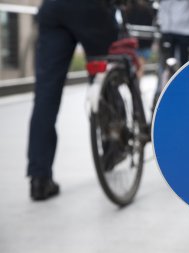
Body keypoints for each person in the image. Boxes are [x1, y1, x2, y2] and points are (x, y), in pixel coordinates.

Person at [27, 0, 118, 201]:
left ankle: (39, 178)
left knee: (46, 93)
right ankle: (113, 144)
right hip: (92, 8)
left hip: (54, 8)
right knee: (105, 77)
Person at [157, 0, 189, 66]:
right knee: (167, 60)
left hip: (186, 32)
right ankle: (167, 73)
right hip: (168, 30)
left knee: (184, 61)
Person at [125, 0, 155, 78]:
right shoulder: (148, 8)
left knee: (135, 67)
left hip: (133, 41)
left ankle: (136, 83)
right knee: (140, 67)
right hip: (145, 41)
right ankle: (137, 83)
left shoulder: (129, 7)